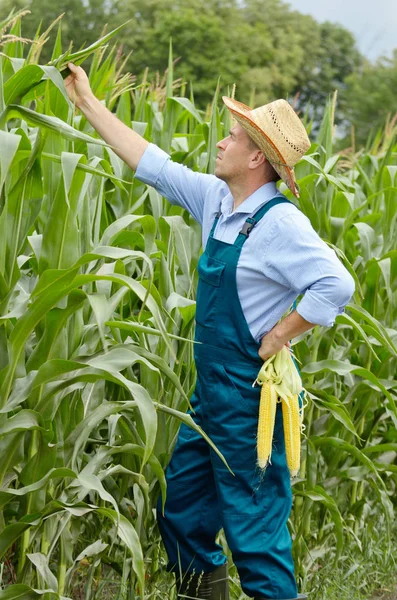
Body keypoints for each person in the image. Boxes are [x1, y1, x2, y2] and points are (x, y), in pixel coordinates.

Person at [64, 62, 355, 600]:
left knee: (256, 539)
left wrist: (281, 335)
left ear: (256, 158)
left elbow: (336, 285)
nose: (220, 142)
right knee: (182, 516)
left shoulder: (280, 224)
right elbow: (152, 164)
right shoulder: (220, 203)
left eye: (233, 137)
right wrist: (88, 104)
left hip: (247, 405)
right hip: (209, 401)